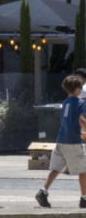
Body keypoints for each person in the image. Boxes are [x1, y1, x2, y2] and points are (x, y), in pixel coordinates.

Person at [36, 73, 86, 208]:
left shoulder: (65, 103)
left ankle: (43, 191)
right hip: (73, 142)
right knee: (83, 170)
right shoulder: (81, 102)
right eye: (80, 87)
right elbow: (83, 118)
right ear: (77, 89)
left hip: (61, 140)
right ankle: (84, 198)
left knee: (56, 168)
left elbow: (74, 119)